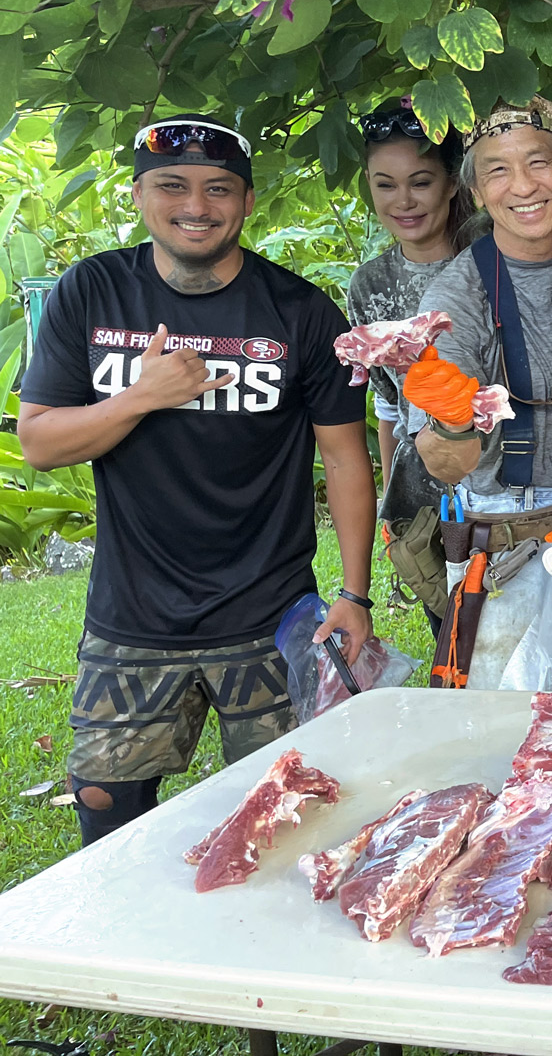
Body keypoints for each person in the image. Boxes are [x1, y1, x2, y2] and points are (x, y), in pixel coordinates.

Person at [16, 114, 377, 844]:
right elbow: (40, 444)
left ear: (245, 202)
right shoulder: (93, 292)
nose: (196, 205)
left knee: (288, 821)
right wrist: (141, 395)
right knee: (108, 810)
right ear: (141, 195)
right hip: (132, 618)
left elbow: (344, 456)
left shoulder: (300, 312)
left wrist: (355, 592)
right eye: (172, 186)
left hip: (270, 618)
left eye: (219, 188)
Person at [402, 97, 552, 688]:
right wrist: (452, 419)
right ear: (477, 191)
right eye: (498, 170)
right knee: (500, 737)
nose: (523, 186)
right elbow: (444, 462)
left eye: (539, 162)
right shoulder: (453, 301)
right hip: (502, 540)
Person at [344, 100, 472, 594]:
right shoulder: (369, 285)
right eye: (385, 185)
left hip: (504, 491)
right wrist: (389, 505)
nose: (404, 201)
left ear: (453, 181)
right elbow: (388, 406)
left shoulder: (495, 262)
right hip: (423, 504)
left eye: (420, 182)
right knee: (452, 653)